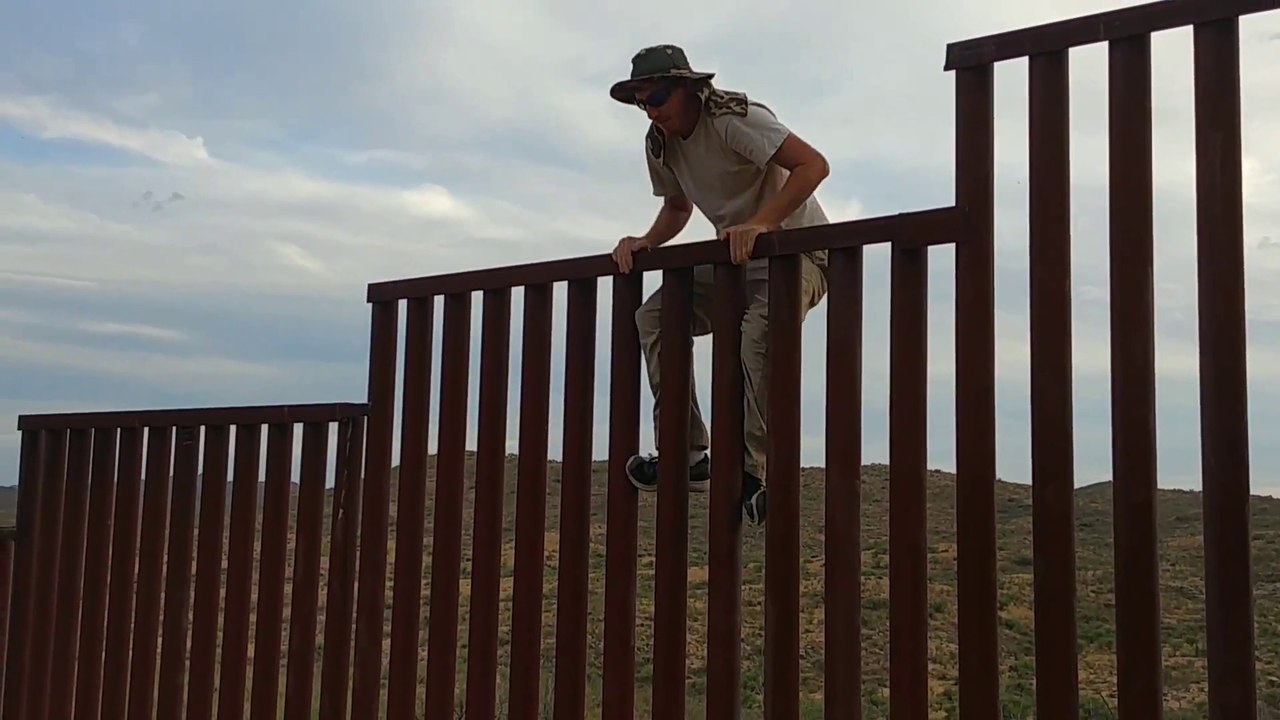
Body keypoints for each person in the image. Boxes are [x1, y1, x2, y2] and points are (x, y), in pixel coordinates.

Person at [608, 44, 831, 526]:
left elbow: (813, 165)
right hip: (737, 261)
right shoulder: (660, 141)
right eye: (641, 102)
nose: (651, 110)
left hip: (798, 252)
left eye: (659, 96)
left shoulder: (733, 116)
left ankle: (758, 474)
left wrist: (763, 224)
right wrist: (646, 240)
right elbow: (677, 209)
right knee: (654, 317)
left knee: (758, 334)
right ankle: (688, 457)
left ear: (688, 88)